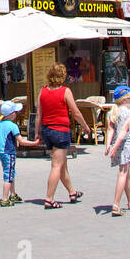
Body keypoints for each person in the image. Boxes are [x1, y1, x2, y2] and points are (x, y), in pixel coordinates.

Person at [37, 62, 92, 209]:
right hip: (60, 130)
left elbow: (38, 115)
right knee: (56, 165)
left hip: (47, 130)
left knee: (62, 165)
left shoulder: (42, 91)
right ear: (62, 76)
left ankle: (72, 192)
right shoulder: (65, 91)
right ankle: (49, 199)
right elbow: (75, 112)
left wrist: (37, 132)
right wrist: (86, 127)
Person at [0, 101, 39, 207]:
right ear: (11, 114)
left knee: (11, 172)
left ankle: (13, 194)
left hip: (0, 152)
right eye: (15, 112)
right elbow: (21, 141)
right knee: (8, 175)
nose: (16, 114)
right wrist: (34, 143)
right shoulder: (13, 126)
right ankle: (4, 198)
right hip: (9, 152)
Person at [104, 85, 130, 216]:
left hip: (117, 144)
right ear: (124, 99)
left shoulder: (112, 112)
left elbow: (110, 130)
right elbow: (124, 130)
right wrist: (114, 147)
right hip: (125, 144)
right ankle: (116, 204)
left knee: (126, 174)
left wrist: (108, 144)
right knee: (123, 173)